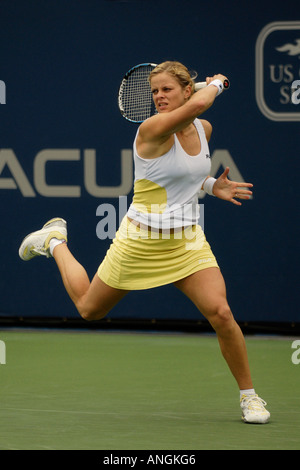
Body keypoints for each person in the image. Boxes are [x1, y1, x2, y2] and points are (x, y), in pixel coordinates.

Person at [19, 61, 270, 424]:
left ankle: (250, 397)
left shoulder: (204, 129)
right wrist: (218, 83)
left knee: (221, 313)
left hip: (186, 242)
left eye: (166, 89)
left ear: (186, 89)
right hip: (139, 242)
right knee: (90, 309)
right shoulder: (151, 129)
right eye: (154, 91)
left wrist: (212, 185)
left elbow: (183, 176)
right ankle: (55, 240)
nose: (158, 97)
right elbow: (199, 105)